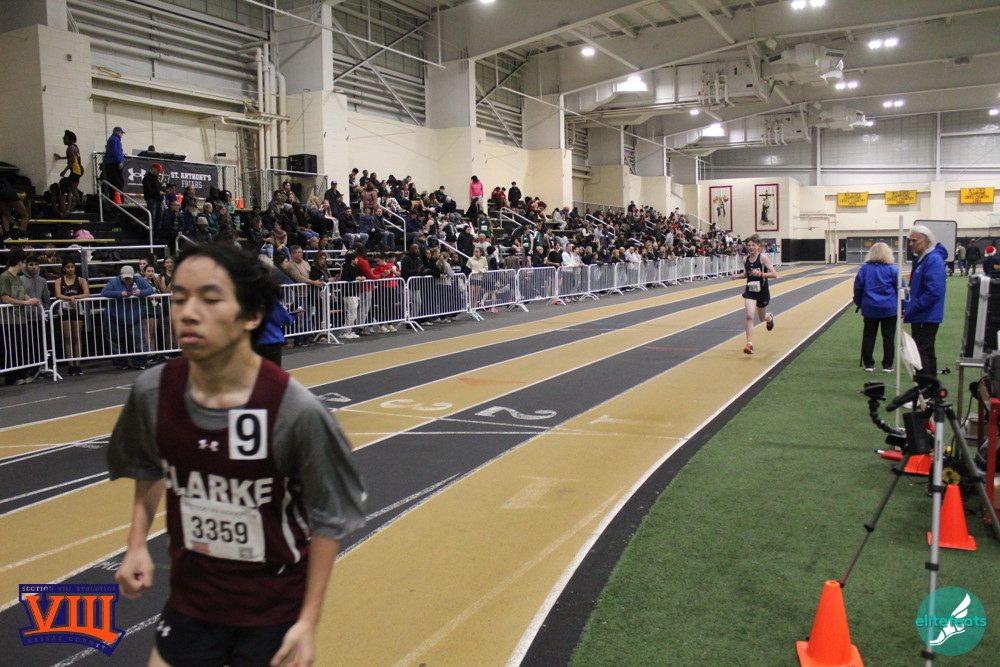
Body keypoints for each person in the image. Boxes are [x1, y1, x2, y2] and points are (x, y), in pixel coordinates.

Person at [107, 243, 366, 667]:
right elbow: (147, 465)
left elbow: (331, 513)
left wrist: (308, 619)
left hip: (273, 611)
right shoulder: (153, 392)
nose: (189, 313)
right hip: (192, 602)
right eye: (179, 298)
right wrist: (136, 543)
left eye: (210, 300)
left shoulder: (293, 410)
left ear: (251, 315)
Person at [904, 224, 947, 379]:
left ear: (926, 241)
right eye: (910, 241)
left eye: (914, 241)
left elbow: (934, 291)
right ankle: (931, 388)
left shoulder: (932, 259)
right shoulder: (922, 259)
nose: (911, 244)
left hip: (926, 314)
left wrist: (915, 307)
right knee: (926, 351)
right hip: (922, 314)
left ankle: (926, 387)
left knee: (921, 353)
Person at [853, 242, 898, 373]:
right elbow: (899, 288)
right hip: (889, 307)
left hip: (870, 307)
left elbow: (858, 287)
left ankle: (869, 363)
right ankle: (887, 365)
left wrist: (859, 302)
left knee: (869, 335)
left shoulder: (865, 269)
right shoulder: (892, 269)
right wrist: (903, 306)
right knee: (888, 336)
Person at [101, 265, 155, 370]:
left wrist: (141, 292)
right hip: (116, 316)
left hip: (135, 316)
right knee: (116, 341)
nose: (127, 280)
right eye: (125, 278)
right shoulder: (114, 282)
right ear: (121, 275)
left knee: (139, 340)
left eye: (129, 278)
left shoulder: (139, 280)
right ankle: (121, 363)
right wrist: (119, 294)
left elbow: (151, 289)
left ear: (133, 276)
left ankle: (140, 362)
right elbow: (104, 292)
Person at [1, 250, 42, 385]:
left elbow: (23, 294)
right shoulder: (5, 277)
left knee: (20, 347)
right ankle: (12, 376)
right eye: (24, 262)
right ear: (20, 262)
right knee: (11, 348)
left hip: (20, 319)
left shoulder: (17, 278)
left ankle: (20, 373)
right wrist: (26, 303)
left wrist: (32, 300)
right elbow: (5, 298)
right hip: (8, 320)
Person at [731, 234, 776, 355]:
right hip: (750, 290)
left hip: (762, 291)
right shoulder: (745, 260)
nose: (750, 247)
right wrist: (737, 276)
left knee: (762, 318)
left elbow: (774, 274)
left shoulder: (763, 258)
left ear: (758, 246)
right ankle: (749, 344)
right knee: (750, 316)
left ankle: (769, 318)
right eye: (749, 245)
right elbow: (747, 274)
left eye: (753, 245)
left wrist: (760, 274)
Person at [55, 259, 91, 376]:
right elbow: (58, 294)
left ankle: (77, 364)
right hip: (64, 310)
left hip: (77, 310)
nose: (70, 269)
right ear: (63, 269)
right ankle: (70, 364)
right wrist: (70, 298)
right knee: (67, 338)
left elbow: (86, 294)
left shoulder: (81, 280)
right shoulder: (59, 281)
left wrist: (74, 297)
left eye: (72, 267)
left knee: (76, 337)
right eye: (68, 267)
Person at [54, 129, 84, 209]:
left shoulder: (70, 148)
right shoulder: (74, 146)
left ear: (70, 139)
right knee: (73, 188)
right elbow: (72, 157)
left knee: (71, 189)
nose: (63, 140)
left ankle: (79, 205)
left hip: (75, 170)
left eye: (65, 138)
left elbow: (72, 161)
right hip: (78, 170)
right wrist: (60, 158)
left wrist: (64, 171)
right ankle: (79, 201)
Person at [102, 126, 126, 195]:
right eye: (121, 133)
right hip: (114, 164)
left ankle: (113, 198)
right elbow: (116, 151)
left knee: (112, 183)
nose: (122, 135)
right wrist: (120, 161)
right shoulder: (116, 140)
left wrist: (121, 153)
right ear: (118, 132)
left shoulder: (111, 139)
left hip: (110, 163)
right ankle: (118, 198)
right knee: (118, 183)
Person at [143, 163, 165, 231]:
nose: (159, 172)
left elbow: (158, 188)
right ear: (153, 169)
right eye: (158, 170)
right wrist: (158, 192)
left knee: (159, 219)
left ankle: (156, 234)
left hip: (158, 200)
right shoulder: (147, 178)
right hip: (152, 200)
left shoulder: (156, 178)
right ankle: (150, 234)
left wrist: (164, 191)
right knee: (152, 219)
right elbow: (148, 190)